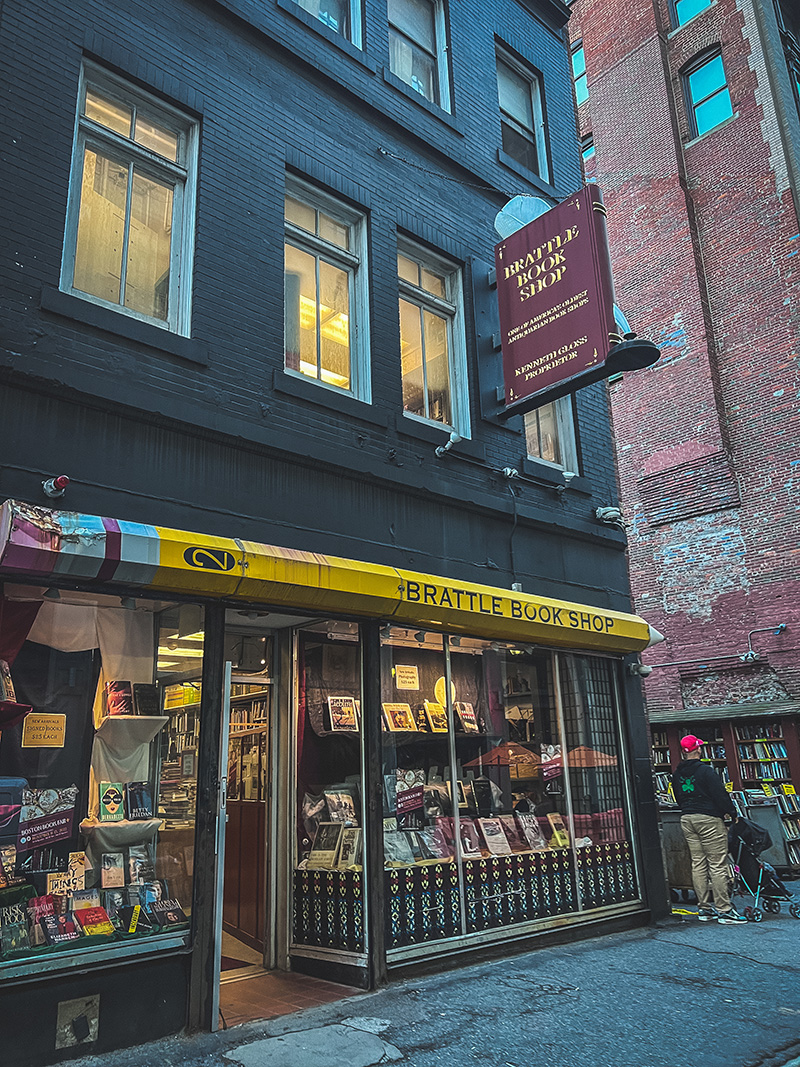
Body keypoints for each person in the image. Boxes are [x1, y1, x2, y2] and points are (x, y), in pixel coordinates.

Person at [671, 734, 746, 924]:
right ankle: (724, 909)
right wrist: (731, 812)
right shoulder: (706, 771)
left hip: (688, 818)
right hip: (709, 819)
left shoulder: (677, 773)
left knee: (698, 863)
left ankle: (704, 908)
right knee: (717, 863)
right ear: (697, 749)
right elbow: (719, 795)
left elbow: (678, 796)